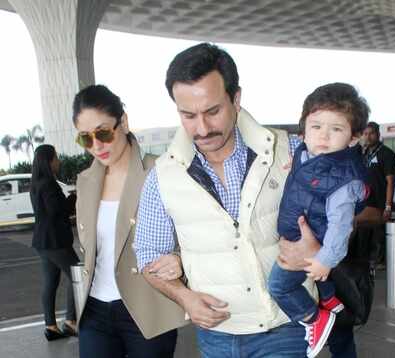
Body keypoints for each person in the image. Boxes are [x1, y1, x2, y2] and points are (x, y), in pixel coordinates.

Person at [135, 42, 318, 357]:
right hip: (215, 337)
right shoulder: (162, 176)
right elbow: (149, 256)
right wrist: (184, 297)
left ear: (236, 98)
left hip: (285, 325)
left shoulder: (289, 150)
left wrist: (318, 245)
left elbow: (341, 211)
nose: (202, 128)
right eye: (188, 115)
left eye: (213, 111)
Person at [73, 85, 186, 358]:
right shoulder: (86, 181)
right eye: (85, 139)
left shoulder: (160, 172)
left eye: (102, 133)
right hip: (95, 310)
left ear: (123, 122)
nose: (97, 145)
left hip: (146, 307)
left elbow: (195, 231)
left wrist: (179, 258)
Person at [267, 83, 369, 358]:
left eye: (336, 129)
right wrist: (295, 168)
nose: (323, 135)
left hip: (315, 249)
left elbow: (340, 227)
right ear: (304, 130)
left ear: (353, 137)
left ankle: (315, 319)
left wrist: (326, 259)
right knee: (322, 285)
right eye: (316, 126)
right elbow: (304, 161)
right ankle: (328, 298)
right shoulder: (306, 153)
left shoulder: (343, 181)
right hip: (302, 237)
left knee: (278, 286)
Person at [30, 144, 79, 340]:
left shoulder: (36, 184)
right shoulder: (49, 184)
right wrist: (75, 195)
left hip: (42, 241)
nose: (58, 161)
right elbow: (57, 211)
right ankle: (70, 322)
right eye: (56, 157)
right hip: (55, 241)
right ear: (48, 161)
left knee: (50, 283)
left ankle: (50, 326)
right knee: (77, 276)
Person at [362, 121, 395, 266]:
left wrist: (388, 206)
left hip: (379, 203)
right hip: (364, 203)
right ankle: (369, 263)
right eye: (365, 134)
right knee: (365, 234)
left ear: (378, 134)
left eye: (371, 134)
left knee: (378, 236)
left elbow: (391, 182)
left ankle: (381, 264)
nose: (368, 137)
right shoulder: (364, 153)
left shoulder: (387, 154)